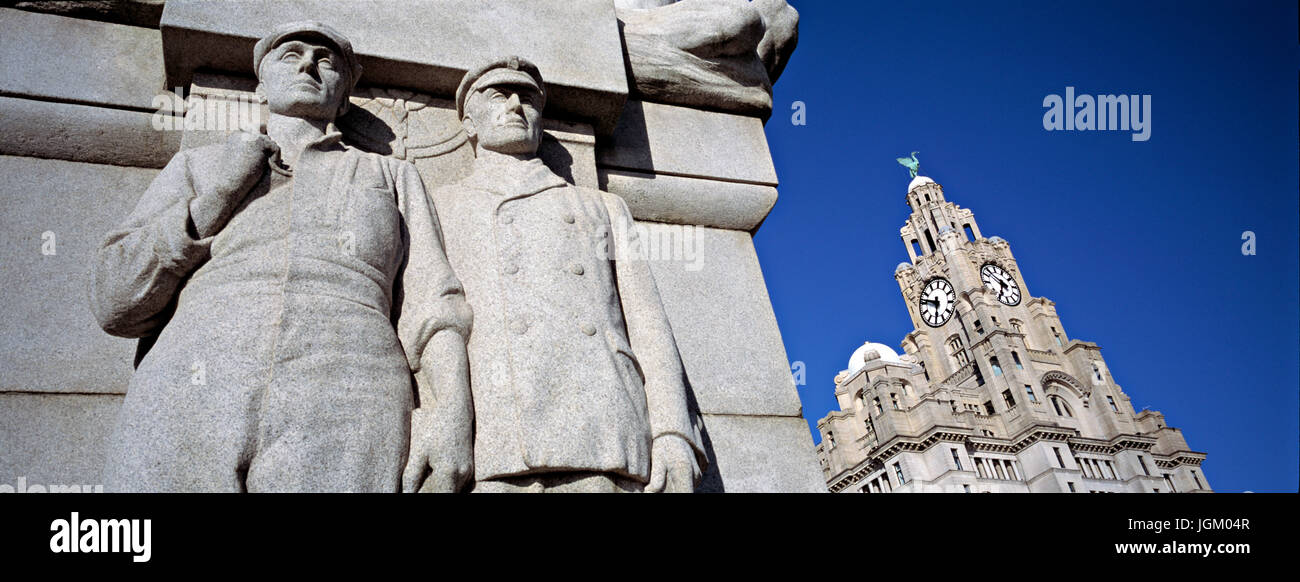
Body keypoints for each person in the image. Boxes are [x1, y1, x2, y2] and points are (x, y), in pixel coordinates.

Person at [91, 21, 472, 492]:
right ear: (261, 85)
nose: (309, 63)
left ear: (345, 96)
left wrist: (452, 416)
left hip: (350, 398)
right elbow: (115, 302)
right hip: (190, 388)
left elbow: (432, 305)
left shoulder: (390, 174)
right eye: (291, 54)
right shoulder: (198, 166)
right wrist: (217, 197)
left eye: (326, 60)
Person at [424, 56, 706, 493]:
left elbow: (648, 324)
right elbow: (428, 319)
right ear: (469, 122)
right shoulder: (442, 206)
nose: (516, 106)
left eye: (529, 98)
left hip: (604, 433)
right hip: (497, 440)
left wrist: (672, 431)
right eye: (499, 95)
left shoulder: (602, 207)